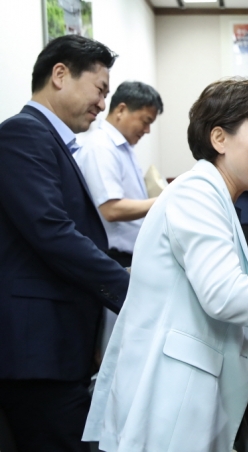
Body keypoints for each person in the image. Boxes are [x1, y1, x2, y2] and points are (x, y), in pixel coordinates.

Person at [83, 77, 248, 451]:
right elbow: (223, 294)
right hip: (173, 394)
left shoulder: (214, 194)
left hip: (190, 385)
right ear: (219, 139)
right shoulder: (196, 193)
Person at [0, 35, 130, 452]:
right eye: (99, 90)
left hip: (57, 346)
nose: (102, 104)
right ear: (60, 75)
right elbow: (51, 231)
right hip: (36, 351)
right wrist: (132, 289)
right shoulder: (22, 134)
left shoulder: (49, 139)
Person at [75, 81, 164, 268]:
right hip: (114, 258)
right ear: (121, 110)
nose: (147, 130)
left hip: (131, 256)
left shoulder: (124, 148)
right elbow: (111, 209)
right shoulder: (101, 146)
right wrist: (167, 199)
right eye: (146, 121)